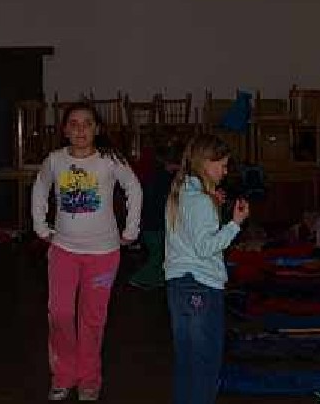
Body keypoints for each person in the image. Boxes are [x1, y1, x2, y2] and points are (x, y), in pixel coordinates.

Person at [31, 102, 142, 401]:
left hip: (103, 255)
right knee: (61, 314)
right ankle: (63, 375)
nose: (80, 129)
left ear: (97, 129)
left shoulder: (110, 160)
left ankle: (89, 378)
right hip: (63, 252)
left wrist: (131, 230)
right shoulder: (55, 160)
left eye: (87, 123)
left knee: (92, 319)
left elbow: (133, 188)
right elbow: (40, 188)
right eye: (74, 124)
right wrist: (40, 226)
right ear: (65, 130)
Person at [165, 134, 249, 404]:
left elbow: (193, 230)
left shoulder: (183, 192)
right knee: (206, 362)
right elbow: (205, 247)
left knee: (187, 361)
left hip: (180, 285)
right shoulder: (200, 201)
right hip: (200, 285)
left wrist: (212, 203)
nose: (225, 172)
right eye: (222, 165)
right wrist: (235, 224)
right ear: (205, 163)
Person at [129, 140, 182, 290]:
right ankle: (139, 278)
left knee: (159, 255)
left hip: (151, 224)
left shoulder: (159, 176)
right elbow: (161, 204)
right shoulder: (164, 179)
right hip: (154, 225)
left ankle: (156, 279)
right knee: (158, 255)